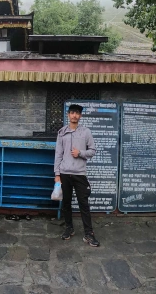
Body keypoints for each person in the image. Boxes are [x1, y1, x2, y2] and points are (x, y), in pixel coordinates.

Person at [54, 104, 100, 247]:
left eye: (77, 113)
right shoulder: (62, 132)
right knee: (66, 203)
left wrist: (80, 153)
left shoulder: (86, 132)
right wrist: (57, 174)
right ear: (68, 115)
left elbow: (92, 151)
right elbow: (58, 154)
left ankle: (89, 234)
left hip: (80, 173)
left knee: (83, 204)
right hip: (65, 173)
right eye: (72, 113)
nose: (74, 115)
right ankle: (69, 228)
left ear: (80, 116)